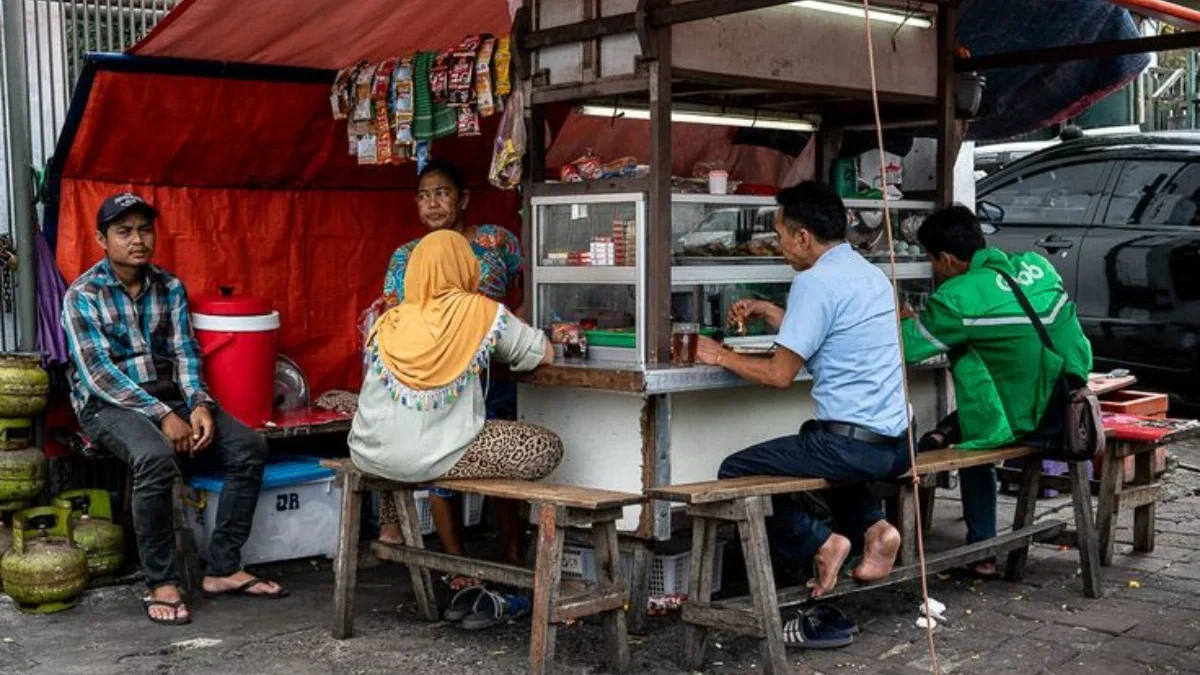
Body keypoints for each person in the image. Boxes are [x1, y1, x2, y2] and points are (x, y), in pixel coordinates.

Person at [62, 192, 283, 627]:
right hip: (107, 405)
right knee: (155, 458)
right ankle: (161, 580)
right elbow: (99, 375)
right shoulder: (82, 294)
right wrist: (163, 415)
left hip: (172, 397)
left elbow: (185, 355)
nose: (137, 240)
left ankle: (222, 567)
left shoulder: (170, 287)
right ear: (101, 238)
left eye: (144, 229)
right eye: (124, 231)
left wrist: (199, 404)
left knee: (249, 447)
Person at [694, 182, 910, 600]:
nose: (779, 245)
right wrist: (771, 312)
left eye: (779, 235)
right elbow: (830, 331)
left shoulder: (815, 282)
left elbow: (779, 375)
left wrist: (719, 356)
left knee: (736, 469)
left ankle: (820, 543)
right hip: (899, 445)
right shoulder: (870, 274)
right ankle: (876, 529)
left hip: (855, 447)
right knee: (818, 438)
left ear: (803, 237)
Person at [350, 230, 562, 628]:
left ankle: (463, 566)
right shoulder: (478, 311)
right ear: (466, 267)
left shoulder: (390, 319)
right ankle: (509, 569)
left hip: (370, 452)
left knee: (430, 440)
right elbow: (542, 353)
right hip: (431, 457)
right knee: (544, 446)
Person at [900, 205, 1092, 577]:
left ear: (947, 259)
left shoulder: (956, 295)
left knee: (974, 444)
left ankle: (982, 553)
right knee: (974, 400)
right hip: (1072, 402)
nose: (934, 270)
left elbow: (907, 348)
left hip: (1034, 421)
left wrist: (906, 318)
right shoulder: (1036, 266)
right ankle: (945, 432)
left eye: (931, 261)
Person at [376, 159, 524, 576]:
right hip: (441, 377)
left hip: (498, 373)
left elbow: (534, 284)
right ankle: (457, 563)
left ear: (463, 199)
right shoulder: (407, 256)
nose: (432, 204)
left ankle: (512, 558)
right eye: (423, 196)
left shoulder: (497, 242)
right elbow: (395, 314)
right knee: (444, 460)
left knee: (503, 464)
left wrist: (513, 328)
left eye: (441, 193)